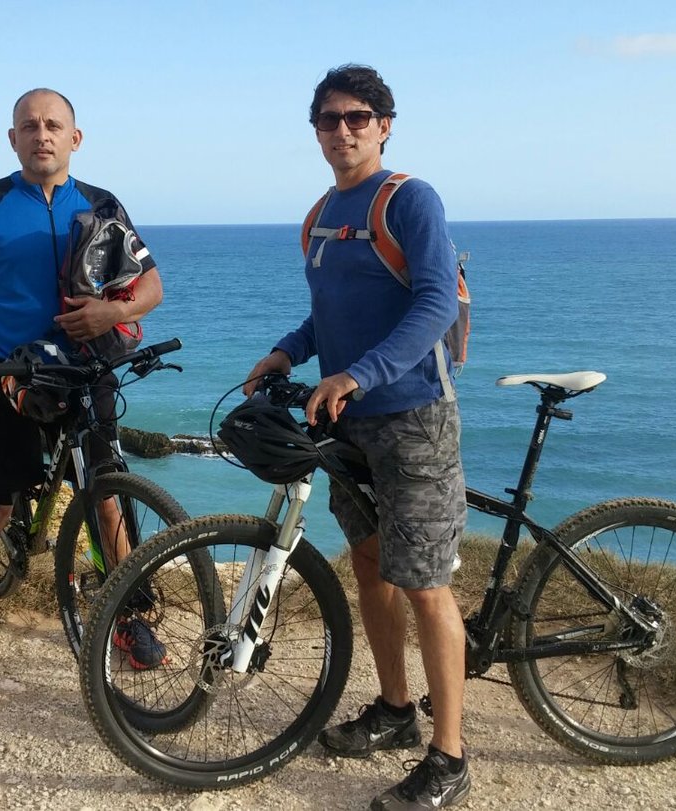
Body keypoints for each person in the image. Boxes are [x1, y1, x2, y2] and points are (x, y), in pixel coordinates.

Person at [244, 65, 471, 809]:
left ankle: (450, 756)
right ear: (315, 129)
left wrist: (359, 373)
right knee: (371, 566)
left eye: (358, 116)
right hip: (350, 421)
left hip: (411, 415)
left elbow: (435, 302)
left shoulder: (409, 200)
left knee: (426, 584)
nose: (343, 129)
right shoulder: (318, 216)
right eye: (329, 119)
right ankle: (398, 710)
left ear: (384, 124)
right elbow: (327, 315)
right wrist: (287, 351)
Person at [0, 88, 164, 715]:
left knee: (107, 502)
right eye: (29, 126)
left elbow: (152, 283)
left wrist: (114, 311)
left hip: (87, 371)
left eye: (53, 125)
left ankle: (129, 618)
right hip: (10, 375)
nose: (41, 135)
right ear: (12, 138)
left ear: (75, 138)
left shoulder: (102, 204)